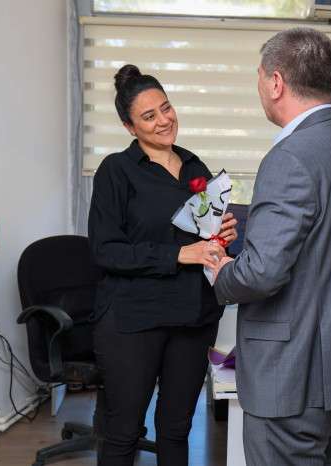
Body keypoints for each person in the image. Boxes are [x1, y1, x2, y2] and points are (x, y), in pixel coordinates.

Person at [212, 28, 331, 465]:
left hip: (291, 378)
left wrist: (221, 273)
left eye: (259, 77)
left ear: (276, 82)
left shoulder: (289, 157)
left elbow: (261, 273)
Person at [87, 64, 237, 466]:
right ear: (129, 127)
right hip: (133, 320)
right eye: (149, 116)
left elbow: (205, 237)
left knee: (176, 429)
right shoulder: (116, 171)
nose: (163, 120)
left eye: (166, 108)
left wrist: (223, 235)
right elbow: (105, 251)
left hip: (192, 318)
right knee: (124, 432)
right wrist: (177, 254)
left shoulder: (194, 166)